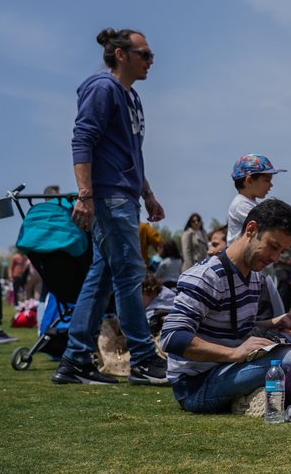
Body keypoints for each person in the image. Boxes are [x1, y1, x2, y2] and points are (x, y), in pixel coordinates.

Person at [52, 28, 167, 387]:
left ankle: (74, 361)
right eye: (144, 54)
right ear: (121, 54)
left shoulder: (131, 97)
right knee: (131, 275)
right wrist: (85, 195)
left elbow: (132, 152)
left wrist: (147, 193)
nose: (151, 61)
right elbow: (82, 138)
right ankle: (144, 360)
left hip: (126, 195)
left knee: (102, 278)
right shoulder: (102, 88)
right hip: (108, 197)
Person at [161, 198, 291, 414]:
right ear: (251, 229)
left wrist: (275, 323)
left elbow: (235, 325)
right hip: (196, 386)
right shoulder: (206, 276)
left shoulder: (254, 277)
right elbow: (172, 337)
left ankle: (281, 395)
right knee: (289, 359)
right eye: (273, 246)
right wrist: (235, 353)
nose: (275, 258)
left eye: (282, 252)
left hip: (231, 370)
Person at [227, 154, 285, 245]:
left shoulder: (250, 204)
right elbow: (269, 225)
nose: (271, 185)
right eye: (267, 180)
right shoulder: (241, 205)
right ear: (249, 181)